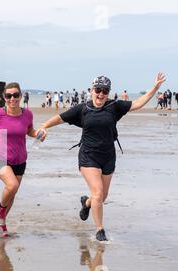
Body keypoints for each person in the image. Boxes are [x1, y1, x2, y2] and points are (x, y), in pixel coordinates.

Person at [36, 74, 166, 242]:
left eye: (105, 91)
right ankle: (100, 231)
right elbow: (60, 118)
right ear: (92, 90)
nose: (101, 94)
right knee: (97, 192)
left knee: (101, 197)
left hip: (108, 157)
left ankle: (87, 203)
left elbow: (138, 103)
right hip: (88, 157)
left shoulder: (114, 106)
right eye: (98, 90)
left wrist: (155, 88)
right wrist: (43, 126)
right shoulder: (82, 109)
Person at [0, 82, 39, 237]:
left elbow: (29, 130)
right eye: (8, 96)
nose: (12, 98)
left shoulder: (27, 114)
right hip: (0, 156)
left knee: (13, 193)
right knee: (12, 186)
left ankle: (0, 223)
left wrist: (38, 134)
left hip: (20, 158)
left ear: (20, 95)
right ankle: (0, 211)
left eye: (15, 95)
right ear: (4, 97)